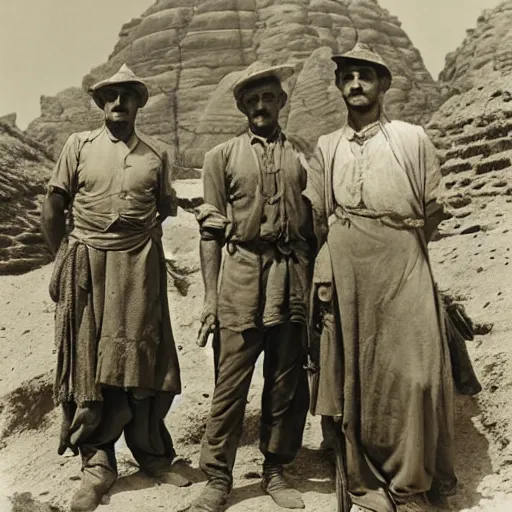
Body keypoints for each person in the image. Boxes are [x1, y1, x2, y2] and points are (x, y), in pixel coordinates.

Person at [304, 43, 457, 512]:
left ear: (383, 84)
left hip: (404, 259)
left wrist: (400, 247)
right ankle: (364, 478)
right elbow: (318, 217)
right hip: (347, 262)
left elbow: (432, 209)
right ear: (338, 86)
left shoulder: (412, 138)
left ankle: (412, 483)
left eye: (364, 76)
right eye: (347, 76)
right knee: (355, 375)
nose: (355, 84)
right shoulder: (327, 147)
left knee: (416, 376)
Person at [41, 64, 188, 512]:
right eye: (109, 96)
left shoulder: (156, 154)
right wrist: (65, 260)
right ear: (100, 103)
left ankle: (152, 455)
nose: (117, 103)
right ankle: (97, 464)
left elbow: (164, 208)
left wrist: (134, 238)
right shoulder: (78, 146)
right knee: (89, 358)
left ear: (139, 102)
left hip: (140, 265)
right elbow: (54, 207)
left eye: (126, 95)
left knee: (144, 356)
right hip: (87, 264)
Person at [190, 62, 315, 512]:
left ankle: (276, 470)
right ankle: (218, 477)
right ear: (242, 106)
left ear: (282, 102)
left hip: (293, 275)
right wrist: (209, 297)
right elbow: (210, 232)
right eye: (252, 100)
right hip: (241, 273)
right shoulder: (219, 157)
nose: (261, 106)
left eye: (268, 98)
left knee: (286, 380)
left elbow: (317, 225)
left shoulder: (304, 154)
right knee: (230, 382)